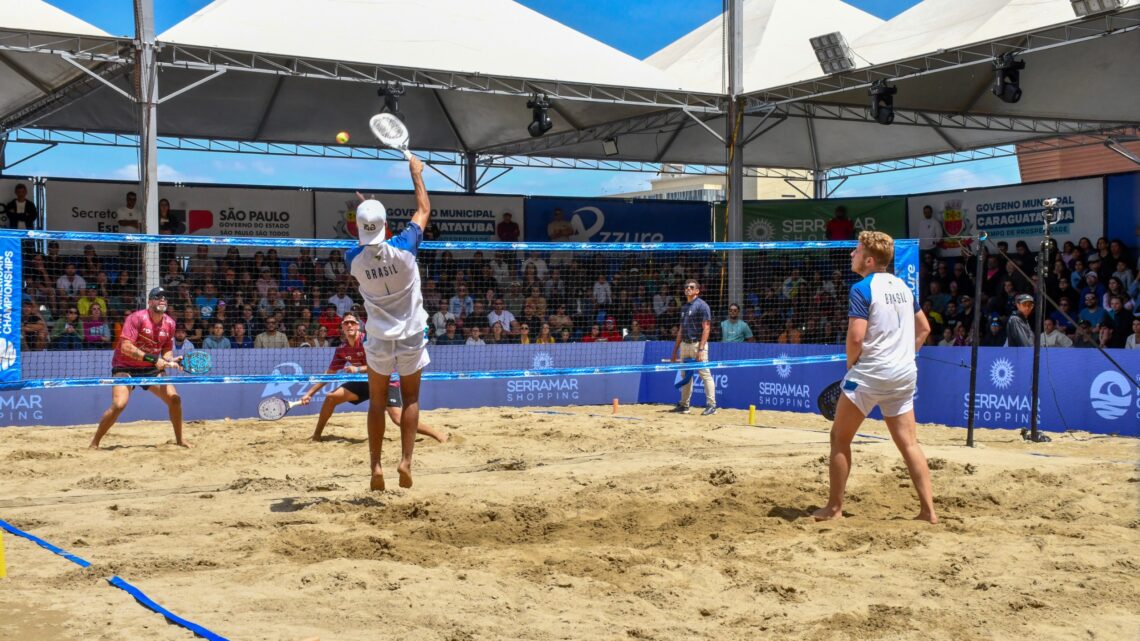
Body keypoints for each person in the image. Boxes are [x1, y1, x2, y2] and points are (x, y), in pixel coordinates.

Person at [812, 231, 936, 524]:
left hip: (870, 373)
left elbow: (856, 338)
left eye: (855, 251)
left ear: (869, 260)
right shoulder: (904, 287)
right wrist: (905, 354)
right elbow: (925, 329)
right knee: (909, 443)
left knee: (839, 438)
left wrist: (852, 364)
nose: (851, 255)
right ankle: (928, 511)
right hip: (904, 374)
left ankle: (834, 508)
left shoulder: (862, 288)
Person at [347, 156, 432, 491]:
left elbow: (364, 241)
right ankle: (406, 461)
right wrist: (415, 173)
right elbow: (423, 208)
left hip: (379, 337)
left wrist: (365, 213)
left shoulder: (352, 259)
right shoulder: (406, 249)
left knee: (378, 402)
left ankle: (376, 466)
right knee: (410, 398)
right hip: (410, 332)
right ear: (387, 226)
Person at [300, 313, 447, 444]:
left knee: (397, 418)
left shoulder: (369, 342)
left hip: (387, 379)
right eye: (346, 323)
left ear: (358, 326)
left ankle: (438, 435)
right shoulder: (342, 349)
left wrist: (358, 369)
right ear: (342, 328)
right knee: (331, 397)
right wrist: (309, 394)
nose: (349, 325)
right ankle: (317, 435)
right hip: (366, 383)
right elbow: (329, 374)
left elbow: (383, 364)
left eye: (352, 322)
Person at [90, 287, 189, 449]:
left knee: (175, 400)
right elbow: (126, 347)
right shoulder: (136, 318)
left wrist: (170, 359)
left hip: (151, 368)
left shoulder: (170, 323)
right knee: (119, 405)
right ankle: (94, 443)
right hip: (125, 366)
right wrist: (154, 359)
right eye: (157, 297)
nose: (162, 299)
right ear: (150, 301)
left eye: (164, 297)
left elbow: (166, 349)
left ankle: (179, 440)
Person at [670, 279, 716, 416]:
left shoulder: (702, 306)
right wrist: (674, 351)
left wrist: (701, 349)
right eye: (686, 287)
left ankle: (712, 405)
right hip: (685, 345)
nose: (687, 289)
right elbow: (681, 330)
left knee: (705, 374)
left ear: (697, 290)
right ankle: (684, 405)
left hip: (697, 345)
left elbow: (706, 328)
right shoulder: (684, 308)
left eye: (691, 287)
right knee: (685, 375)